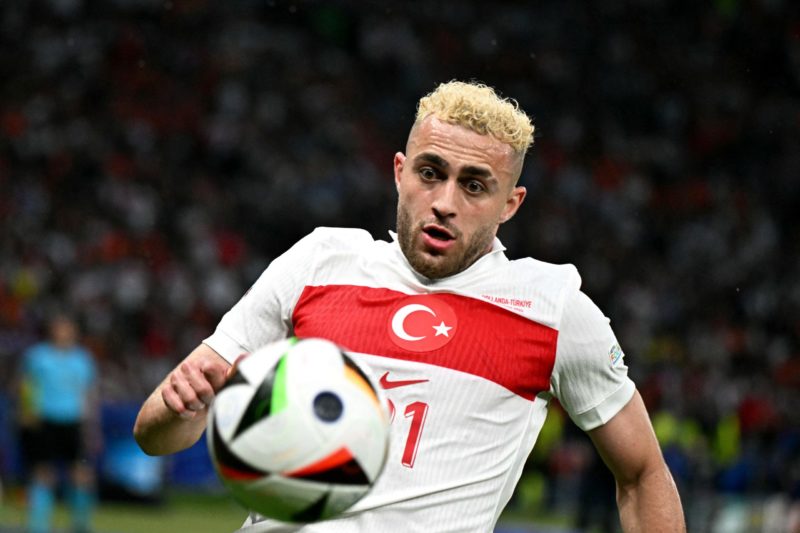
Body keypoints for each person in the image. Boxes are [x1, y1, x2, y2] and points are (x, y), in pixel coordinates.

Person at [134, 80, 686, 532]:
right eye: (430, 173)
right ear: (399, 170)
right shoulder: (320, 262)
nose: (444, 202)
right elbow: (155, 435)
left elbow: (641, 474)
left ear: (510, 205)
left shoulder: (552, 307)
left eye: (474, 186)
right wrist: (180, 405)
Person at [18, 313, 100, 533]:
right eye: (59, 328)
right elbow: (26, 385)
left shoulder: (83, 360)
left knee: (81, 473)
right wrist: (26, 413)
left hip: (73, 421)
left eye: (67, 328)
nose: (63, 332)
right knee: (43, 472)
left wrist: (92, 425)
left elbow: (89, 393)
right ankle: (38, 526)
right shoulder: (37, 357)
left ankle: (81, 523)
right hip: (44, 419)